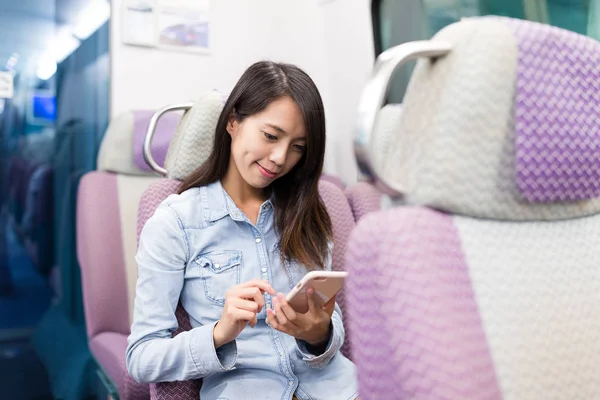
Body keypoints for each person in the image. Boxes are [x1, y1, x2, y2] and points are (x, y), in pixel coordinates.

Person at [126, 61, 359, 400]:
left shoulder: (307, 211)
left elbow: (330, 328)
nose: (280, 158)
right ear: (233, 122)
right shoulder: (175, 222)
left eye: (298, 147)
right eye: (270, 136)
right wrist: (219, 333)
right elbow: (141, 358)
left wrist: (319, 333)